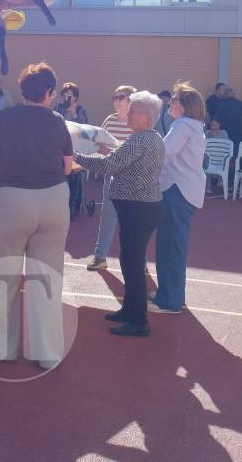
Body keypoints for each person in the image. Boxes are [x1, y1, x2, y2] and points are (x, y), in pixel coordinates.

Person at [0, 62, 72, 369]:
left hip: (12, 201)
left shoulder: (4, 118)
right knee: (48, 277)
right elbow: (67, 166)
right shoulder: (57, 121)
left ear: (22, 89)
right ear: (49, 92)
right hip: (54, 200)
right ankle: (48, 352)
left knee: (2, 275)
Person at [74, 91, 165, 337]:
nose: (128, 114)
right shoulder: (154, 138)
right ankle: (129, 310)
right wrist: (106, 154)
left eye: (133, 111)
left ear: (144, 116)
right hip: (142, 207)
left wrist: (75, 157)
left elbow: (109, 166)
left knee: (132, 264)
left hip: (137, 208)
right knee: (130, 261)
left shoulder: (139, 140)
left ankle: (138, 320)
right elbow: (120, 161)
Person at [151, 82, 207, 315]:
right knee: (170, 245)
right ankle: (170, 293)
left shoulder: (182, 126)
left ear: (184, 105)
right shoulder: (192, 126)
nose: (170, 103)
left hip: (177, 192)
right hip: (183, 191)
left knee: (171, 246)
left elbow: (163, 152)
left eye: (174, 99)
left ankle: (170, 301)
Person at [87, 85, 136, 269]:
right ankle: (100, 257)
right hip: (112, 175)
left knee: (132, 219)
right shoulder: (110, 120)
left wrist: (114, 151)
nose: (116, 101)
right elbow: (100, 143)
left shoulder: (137, 120)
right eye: (114, 97)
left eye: (120, 97)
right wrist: (102, 150)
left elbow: (138, 149)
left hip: (133, 177)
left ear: (130, 100)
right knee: (108, 214)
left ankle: (138, 260)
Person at [55, 82, 89, 220]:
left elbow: (84, 128)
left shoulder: (81, 109)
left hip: (76, 148)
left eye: (69, 96)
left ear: (75, 97)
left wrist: (73, 112)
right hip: (59, 148)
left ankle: (74, 207)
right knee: (60, 178)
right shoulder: (58, 108)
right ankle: (59, 208)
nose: (66, 98)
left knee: (75, 177)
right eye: (64, 95)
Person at [213, 86, 242, 151]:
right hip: (240, 135)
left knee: (227, 157)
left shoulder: (221, 105)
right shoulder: (241, 104)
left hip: (226, 135)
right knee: (238, 157)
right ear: (234, 95)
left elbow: (216, 120)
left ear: (225, 95)